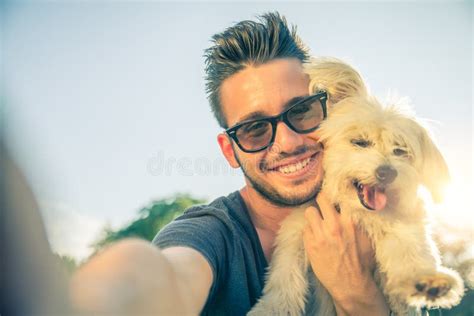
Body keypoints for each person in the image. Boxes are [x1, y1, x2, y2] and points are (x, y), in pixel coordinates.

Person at [70, 12, 390, 315]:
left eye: (302, 111)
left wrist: (359, 292)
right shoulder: (212, 235)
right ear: (229, 150)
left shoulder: (383, 214)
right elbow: (166, 276)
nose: (289, 142)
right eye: (254, 129)